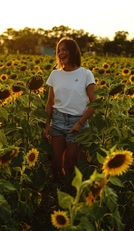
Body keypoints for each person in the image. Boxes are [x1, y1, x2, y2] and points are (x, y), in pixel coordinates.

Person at [44, 37, 96, 183]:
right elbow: (50, 102)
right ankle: (57, 191)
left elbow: (94, 103)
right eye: (59, 50)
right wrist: (47, 123)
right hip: (58, 120)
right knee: (55, 162)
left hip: (77, 122)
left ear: (73, 51)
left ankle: (69, 192)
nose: (61, 53)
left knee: (70, 162)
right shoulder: (55, 74)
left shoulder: (86, 74)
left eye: (64, 50)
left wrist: (80, 123)